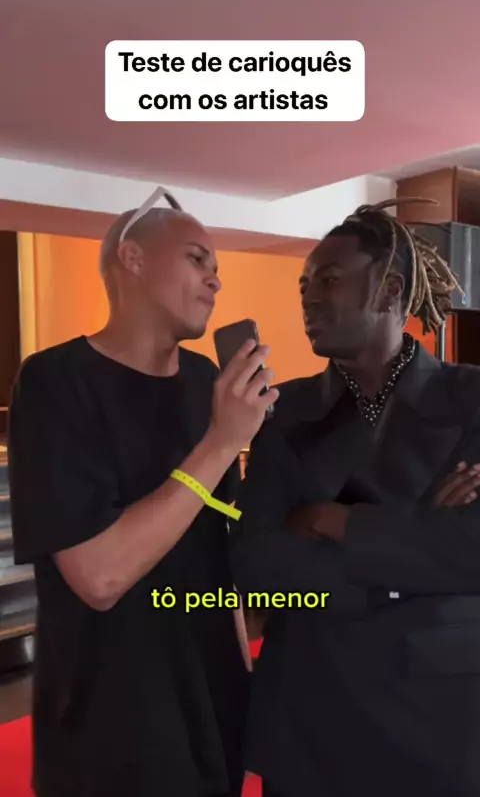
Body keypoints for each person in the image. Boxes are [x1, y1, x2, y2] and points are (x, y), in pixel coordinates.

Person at [7, 187, 278, 797]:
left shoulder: (207, 383)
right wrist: (221, 442)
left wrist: (242, 679)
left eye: (216, 268)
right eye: (196, 258)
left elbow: (219, 554)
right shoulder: (55, 382)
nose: (215, 280)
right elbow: (99, 577)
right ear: (131, 258)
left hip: (213, 708)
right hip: (111, 725)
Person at [231, 198, 480, 797]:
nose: (309, 297)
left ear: (390, 290)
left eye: (329, 280)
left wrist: (331, 521)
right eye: (304, 285)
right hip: (310, 719)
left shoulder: (470, 399)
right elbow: (257, 563)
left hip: (439, 718)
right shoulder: (282, 413)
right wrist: (416, 539)